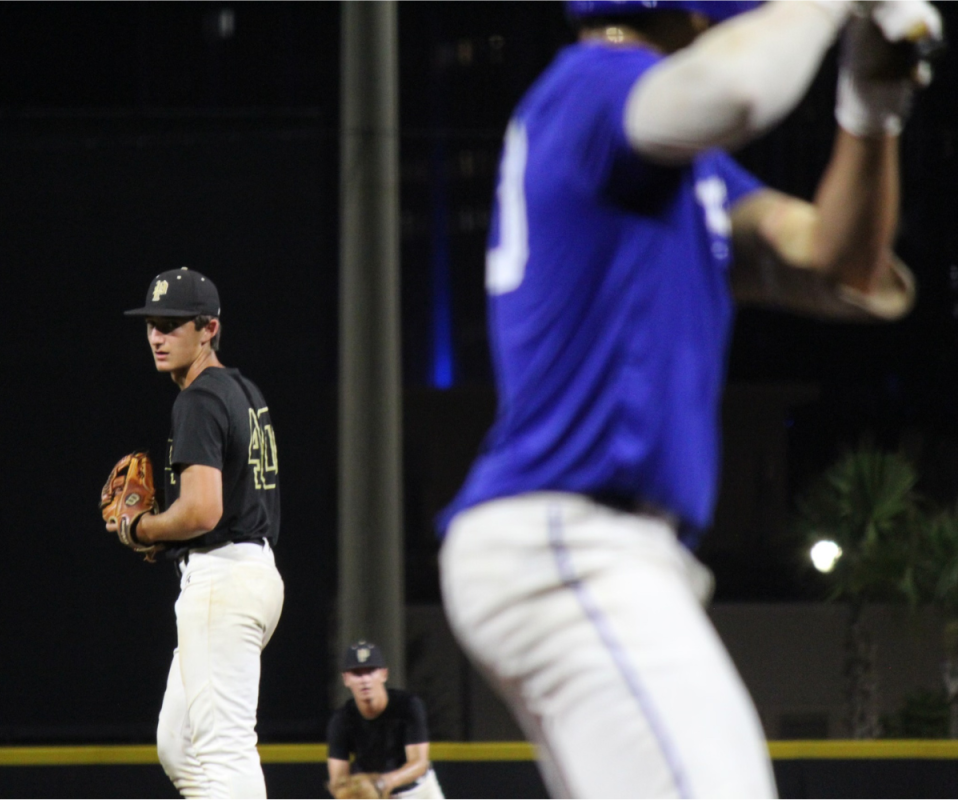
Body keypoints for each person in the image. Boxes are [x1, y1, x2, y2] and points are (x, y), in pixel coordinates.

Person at [437, 1, 941, 797]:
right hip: (570, 537)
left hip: (588, 547)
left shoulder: (672, 160)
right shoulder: (596, 85)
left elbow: (843, 264)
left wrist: (869, 112)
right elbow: (736, 90)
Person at [107, 266, 285, 798]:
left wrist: (142, 528)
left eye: (172, 324)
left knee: (223, 748)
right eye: (151, 325)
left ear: (208, 328)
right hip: (251, 572)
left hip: (222, 578)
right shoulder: (243, 390)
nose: (157, 337)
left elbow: (203, 510)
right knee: (178, 745)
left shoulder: (198, 398)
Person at [326, 641, 445, 799]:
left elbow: (419, 764)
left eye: (371, 671)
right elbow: (338, 780)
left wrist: (383, 783)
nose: (365, 679)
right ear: (346, 679)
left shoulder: (408, 706)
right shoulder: (341, 721)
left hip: (417, 791)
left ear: (384, 674)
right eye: (357, 673)